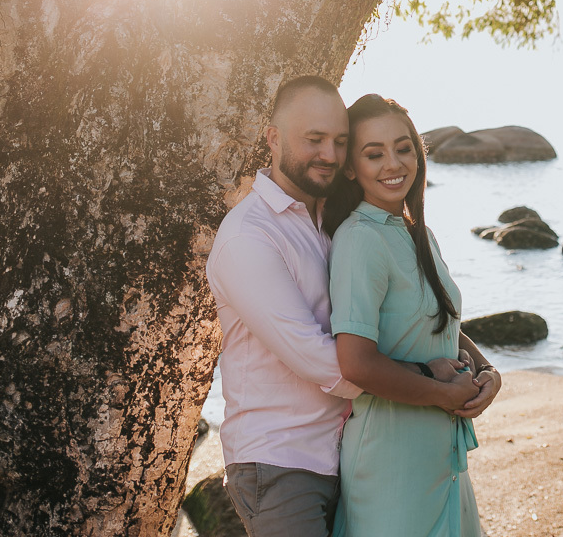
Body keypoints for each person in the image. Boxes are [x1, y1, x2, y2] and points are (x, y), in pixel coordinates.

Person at [204, 76, 477, 537]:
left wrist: (478, 366)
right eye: (314, 139)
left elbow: (403, 312)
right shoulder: (248, 236)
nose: (329, 154)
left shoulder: (331, 219)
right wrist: (436, 382)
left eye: (339, 141)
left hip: (342, 450)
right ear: (273, 137)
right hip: (281, 463)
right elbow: (321, 358)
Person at [324, 93, 503, 537]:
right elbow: (356, 363)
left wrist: (487, 371)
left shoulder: (417, 233)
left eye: (403, 148)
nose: (393, 164)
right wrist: (443, 395)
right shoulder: (359, 239)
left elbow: (444, 326)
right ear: (351, 167)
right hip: (390, 457)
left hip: (440, 452)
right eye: (374, 153)